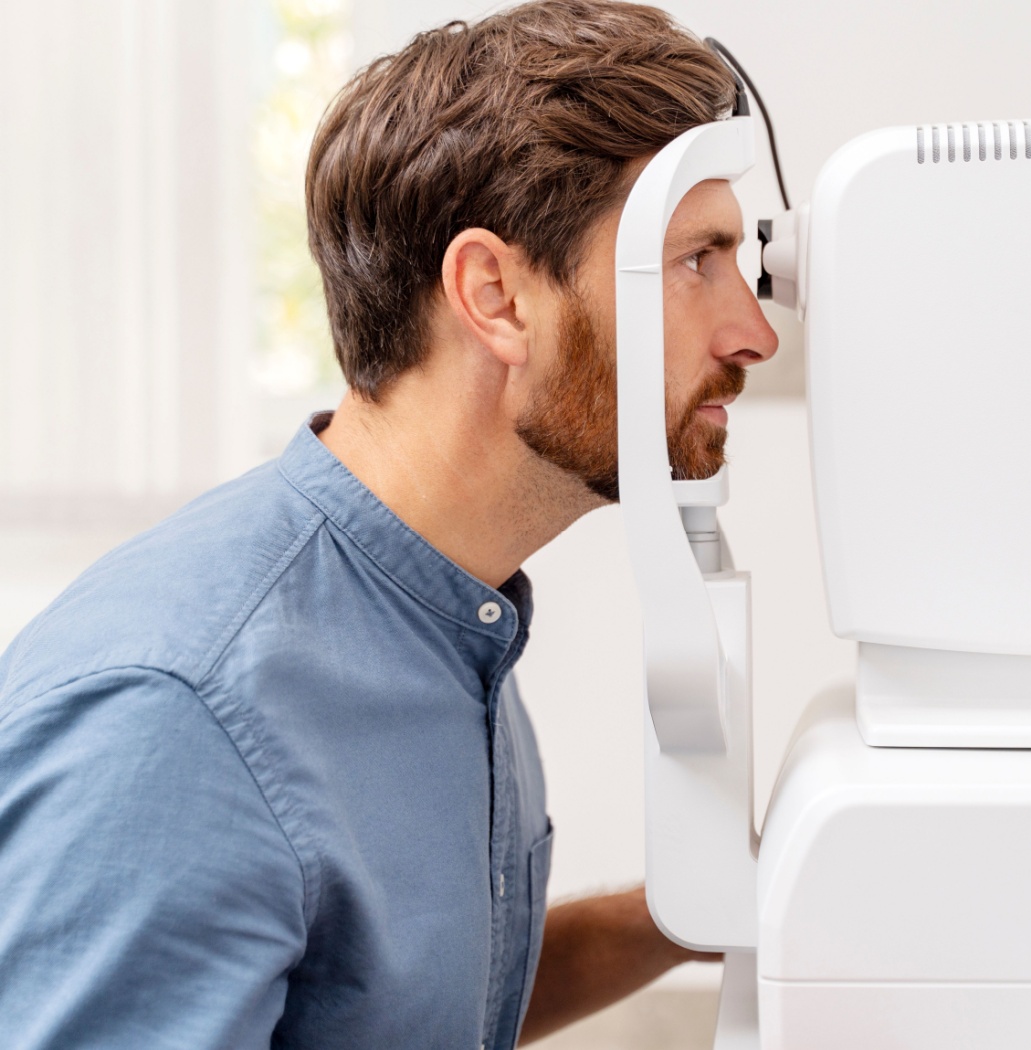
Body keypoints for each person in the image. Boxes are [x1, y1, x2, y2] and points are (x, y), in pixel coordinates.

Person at [0, 1, 778, 1046]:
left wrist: (693, 909)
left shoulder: (449, 620)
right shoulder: (180, 719)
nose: (756, 332)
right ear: (495, 296)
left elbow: (403, 1002)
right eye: (697, 262)